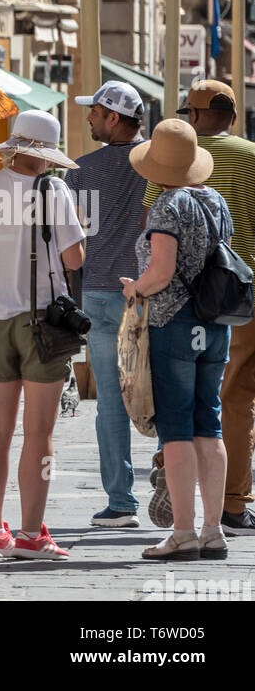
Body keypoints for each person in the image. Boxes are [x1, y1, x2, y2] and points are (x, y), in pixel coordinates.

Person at [0, 111, 85, 560]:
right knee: (39, 432)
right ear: (45, 154)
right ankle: (32, 533)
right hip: (43, 325)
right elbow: (73, 260)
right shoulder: (53, 191)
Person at [142, 81, 255, 532]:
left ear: (193, 116)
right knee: (234, 401)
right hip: (237, 300)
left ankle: (170, 467)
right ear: (232, 114)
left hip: (175, 302)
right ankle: (230, 503)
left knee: (176, 398)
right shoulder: (251, 157)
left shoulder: (168, 163)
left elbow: (154, 232)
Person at [123, 118, 232, 561]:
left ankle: (183, 531)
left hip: (173, 323)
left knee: (176, 429)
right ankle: (213, 529)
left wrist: (136, 289)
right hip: (215, 321)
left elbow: (163, 270)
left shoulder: (168, 205)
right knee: (210, 422)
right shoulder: (216, 200)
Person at [64, 80, 147, 528]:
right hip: (151, 292)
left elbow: (64, 238)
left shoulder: (79, 170)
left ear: (113, 117)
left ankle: (121, 500)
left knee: (112, 400)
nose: (90, 119)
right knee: (165, 392)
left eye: (94, 112)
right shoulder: (160, 162)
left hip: (97, 290)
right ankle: (172, 488)